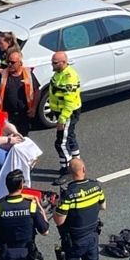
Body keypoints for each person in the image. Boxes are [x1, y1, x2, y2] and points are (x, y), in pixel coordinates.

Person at [53, 158, 105, 260]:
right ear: (84, 169)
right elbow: (103, 206)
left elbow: (59, 220)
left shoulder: (69, 194)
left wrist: (55, 207)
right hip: (92, 236)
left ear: (69, 173)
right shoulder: (96, 187)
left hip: (74, 241)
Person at [48, 51, 82, 187]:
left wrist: (62, 120)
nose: (52, 65)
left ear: (63, 62)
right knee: (70, 138)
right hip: (61, 112)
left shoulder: (69, 77)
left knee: (61, 143)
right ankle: (77, 165)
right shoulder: (58, 73)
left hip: (67, 113)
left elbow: (69, 102)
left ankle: (68, 171)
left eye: (55, 63)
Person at [0, 50, 39, 137]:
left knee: (23, 138)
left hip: (24, 114)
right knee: (9, 139)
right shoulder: (3, 75)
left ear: (20, 63)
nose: (10, 64)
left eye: (13, 62)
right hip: (8, 115)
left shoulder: (28, 74)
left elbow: (37, 91)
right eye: (8, 62)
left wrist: (34, 108)